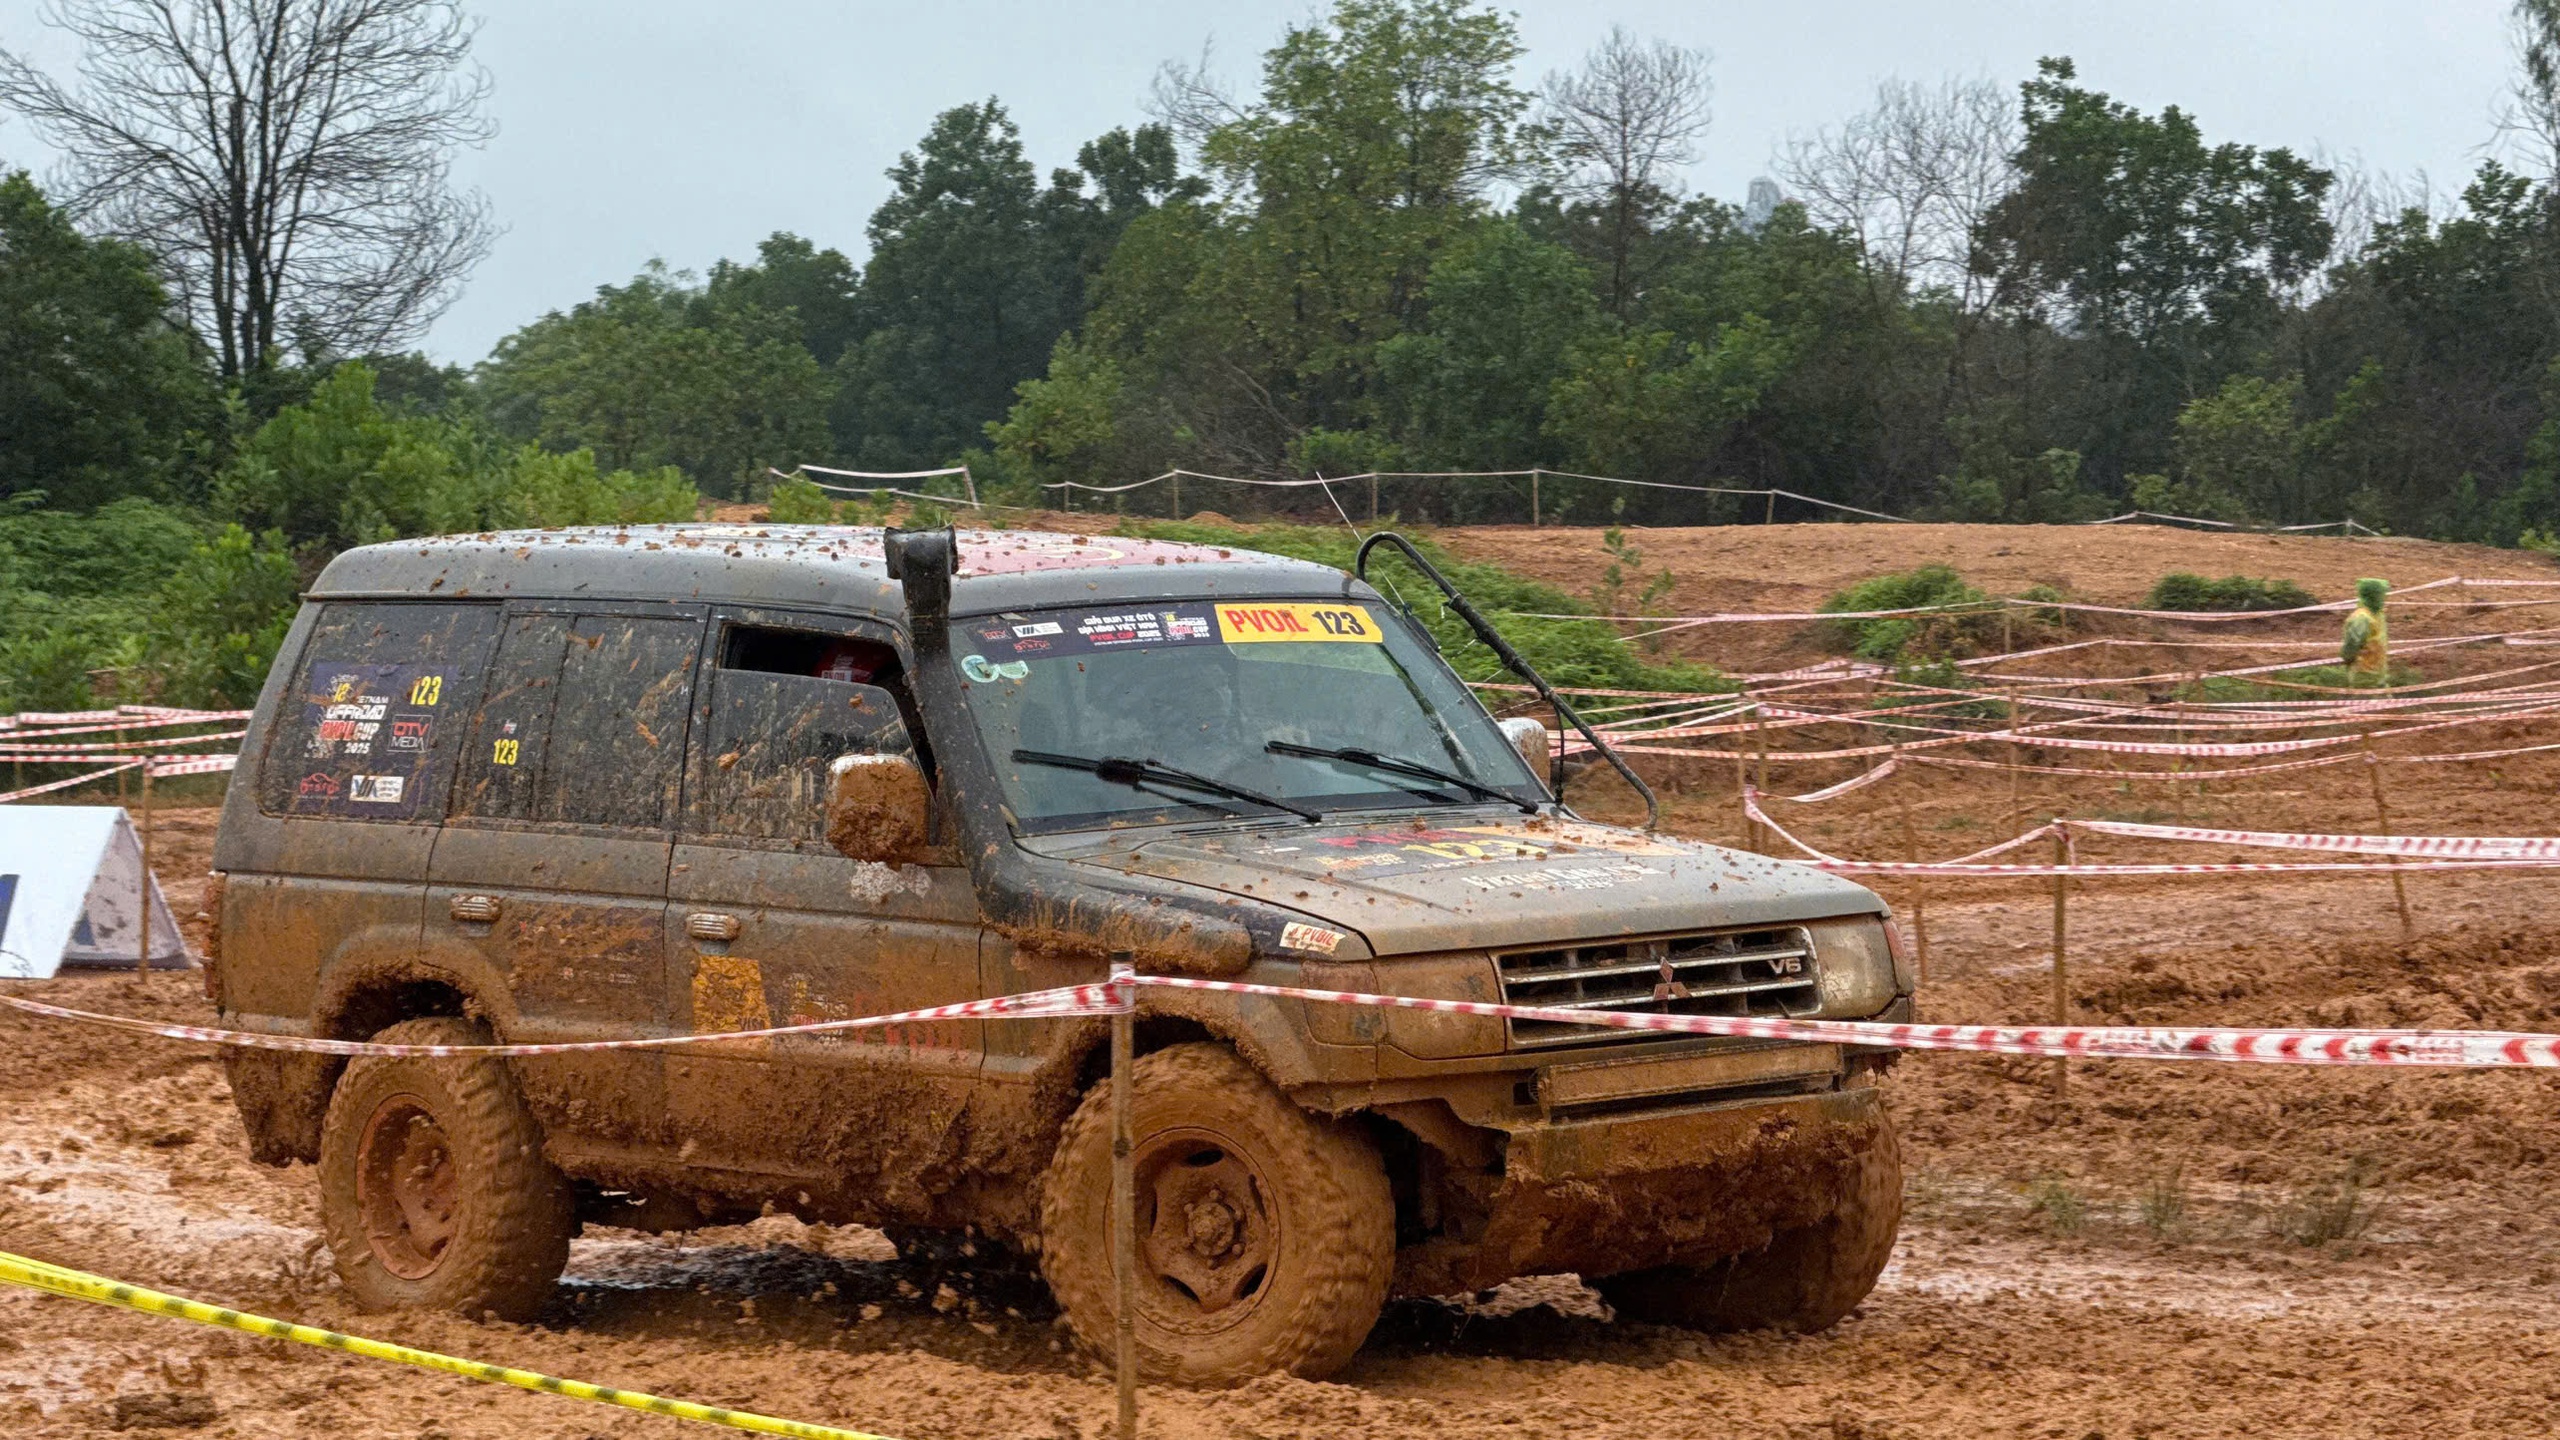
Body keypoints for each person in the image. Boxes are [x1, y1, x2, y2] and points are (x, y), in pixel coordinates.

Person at [2340, 577, 2389, 686]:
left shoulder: (2379, 615)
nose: (2383, 598)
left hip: (2379, 674)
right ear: (2371, 595)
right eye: (2380, 595)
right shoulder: (2361, 618)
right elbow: (2351, 647)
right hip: (2362, 675)